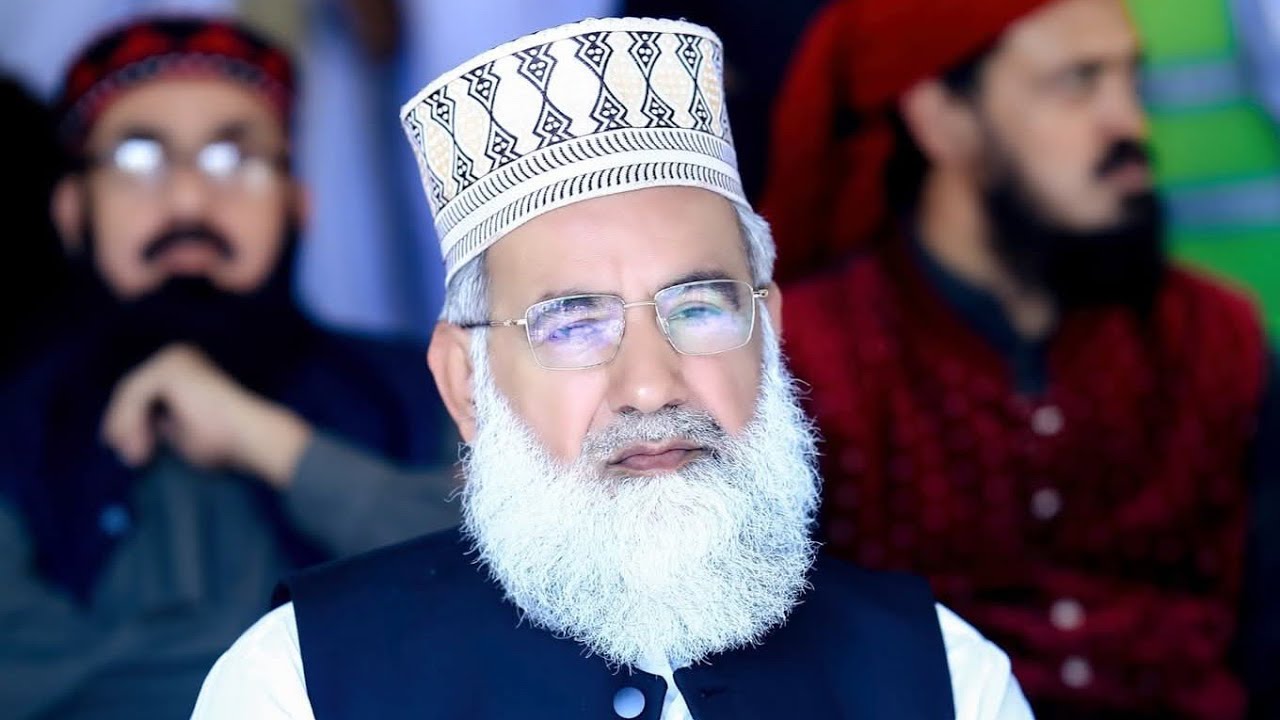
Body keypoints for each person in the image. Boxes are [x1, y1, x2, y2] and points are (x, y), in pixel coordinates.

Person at [192, 17, 1034, 720]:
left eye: (698, 308)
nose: (650, 385)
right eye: (570, 323)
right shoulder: (296, 685)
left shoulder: (946, 676)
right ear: (465, 383)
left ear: (768, 337)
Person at [763, 0, 1279, 717]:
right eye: (1077, 81)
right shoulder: (810, 360)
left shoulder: (1216, 336)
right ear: (941, 117)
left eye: (1132, 80)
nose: (1128, 122)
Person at [0, 17, 457, 720]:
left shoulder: (426, 384)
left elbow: (516, 586)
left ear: (297, 204)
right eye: (138, 159)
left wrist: (276, 448)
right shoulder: (12, 431)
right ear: (70, 210)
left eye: (232, 159)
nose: (188, 201)